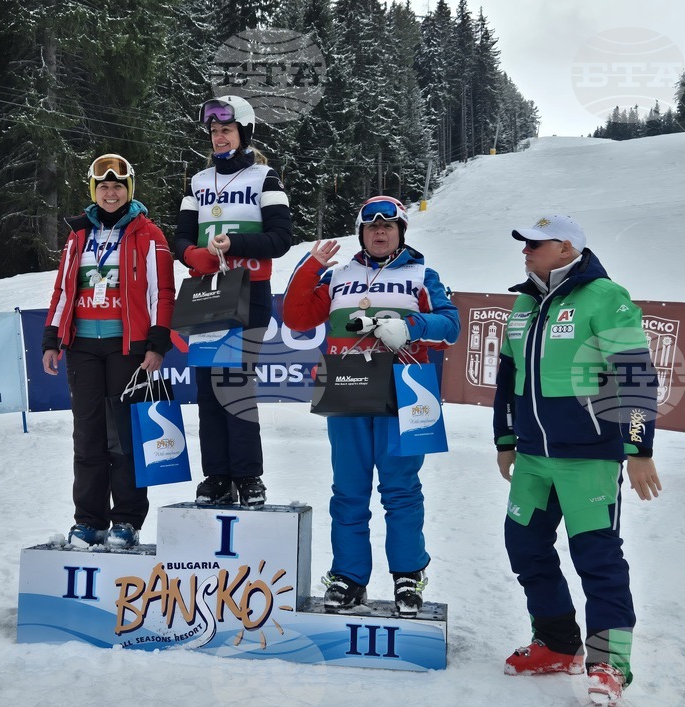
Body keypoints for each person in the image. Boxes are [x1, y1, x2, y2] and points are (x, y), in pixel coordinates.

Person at [493, 214, 662, 707]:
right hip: (532, 457)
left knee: (598, 560)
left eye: (534, 243)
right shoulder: (523, 302)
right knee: (525, 550)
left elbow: (634, 376)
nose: (525, 250)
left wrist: (639, 449)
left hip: (589, 458)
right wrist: (505, 437)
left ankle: (610, 663)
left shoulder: (606, 297)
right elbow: (508, 379)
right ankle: (556, 643)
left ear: (566, 247)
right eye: (523, 243)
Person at [282, 196, 460, 617]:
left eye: (389, 225)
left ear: (401, 231)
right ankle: (349, 577)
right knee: (348, 490)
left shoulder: (422, 274)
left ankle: (408, 577)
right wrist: (309, 267)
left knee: (401, 491)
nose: (380, 231)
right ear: (361, 232)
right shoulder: (338, 274)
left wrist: (412, 326)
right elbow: (295, 317)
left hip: (405, 390)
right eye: (371, 226)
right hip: (347, 386)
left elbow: (450, 326)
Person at [42, 154, 175, 550]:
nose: (111, 192)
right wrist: (52, 337)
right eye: (103, 187)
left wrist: (157, 342)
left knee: (125, 438)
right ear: (93, 191)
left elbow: (161, 292)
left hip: (126, 349)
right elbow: (64, 290)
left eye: (118, 186)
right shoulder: (77, 236)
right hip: (83, 347)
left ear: (129, 190)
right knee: (87, 437)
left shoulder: (149, 234)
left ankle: (127, 521)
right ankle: (89, 521)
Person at [174, 95, 292, 507]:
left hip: (248, 290)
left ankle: (248, 476)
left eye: (226, 130)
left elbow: (280, 239)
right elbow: (182, 239)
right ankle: (217, 476)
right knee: (207, 386)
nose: (219, 137)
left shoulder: (266, 178)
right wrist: (194, 256)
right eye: (213, 131)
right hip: (207, 292)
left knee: (234, 382)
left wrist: (235, 242)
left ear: (243, 132)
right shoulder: (198, 182)